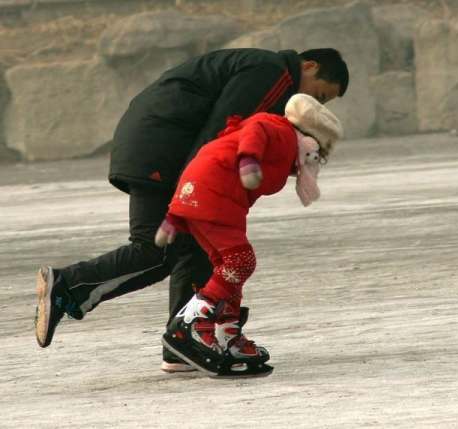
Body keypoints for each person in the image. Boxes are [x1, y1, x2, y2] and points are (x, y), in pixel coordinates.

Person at [34, 48, 350, 373]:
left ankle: (184, 343)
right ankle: (68, 285)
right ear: (308, 66)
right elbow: (220, 131)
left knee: (195, 246)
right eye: (320, 94)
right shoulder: (273, 74)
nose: (315, 104)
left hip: (157, 141)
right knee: (155, 251)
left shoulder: (264, 70)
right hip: (161, 146)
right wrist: (193, 189)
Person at [157, 93, 343, 377]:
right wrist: (249, 161)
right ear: (308, 138)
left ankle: (226, 334)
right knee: (241, 262)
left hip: (209, 197)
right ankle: (191, 322)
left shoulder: (283, 150)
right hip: (213, 197)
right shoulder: (278, 129)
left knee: (229, 267)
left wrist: (174, 218)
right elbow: (255, 131)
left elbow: (210, 161)